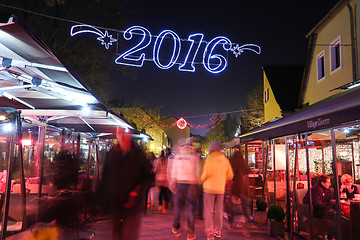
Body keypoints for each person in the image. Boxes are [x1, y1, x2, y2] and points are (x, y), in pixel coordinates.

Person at [99, 127, 154, 240]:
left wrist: (137, 191)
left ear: (130, 134)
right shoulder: (111, 154)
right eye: (119, 133)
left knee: (129, 236)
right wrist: (100, 201)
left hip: (132, 206)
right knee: (114, 236)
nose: (122, 136)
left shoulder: (138, 155)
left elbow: (148, 177)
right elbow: (105, 179)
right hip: (114, 205)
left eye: (125, 132)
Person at [169, 138, 201, 240]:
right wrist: (198, 183)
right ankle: (190, 232)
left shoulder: (177, 157)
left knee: (178, 206)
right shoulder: (195, 156)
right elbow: (197, 171)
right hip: (192, 182)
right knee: (191, 208)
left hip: (180, 183)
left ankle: (175, 226)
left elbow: (174, 171)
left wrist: (172, 183)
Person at [201, 142, 233, 240]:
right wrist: (223, 178)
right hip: (220, 188)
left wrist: (201, 180)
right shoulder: (225, 160)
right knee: (219, 209)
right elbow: (230, 175)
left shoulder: (209, 159)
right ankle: (218, 231)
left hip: (209, 187)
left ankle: (210, 231)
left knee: (208, 210)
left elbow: (206, 173)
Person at [226, 150, 252, 237]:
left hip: (234, 185)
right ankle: (247, 228)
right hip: (243, 185)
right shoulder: (243, 162)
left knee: (231, 205)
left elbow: (228, 174)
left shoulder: (231, 161)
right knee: (245, 207)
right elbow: (249, 170)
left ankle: (230, 223)